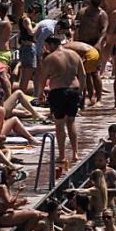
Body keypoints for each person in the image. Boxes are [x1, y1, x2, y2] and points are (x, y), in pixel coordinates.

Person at [37, 36, 86, 164]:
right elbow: (83, 75)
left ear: (52, 45)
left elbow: (42, 78)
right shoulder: (74, 55)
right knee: (71, 122)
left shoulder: (50, 59)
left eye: (47, 46)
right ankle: (75, 154)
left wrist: (40, 92)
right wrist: (80, 92)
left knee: (59, 124)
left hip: (58, 91)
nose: (46, 49)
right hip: (74, 90)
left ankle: (62, 155)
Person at [64, 41, 103, 107]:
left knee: (82, 76)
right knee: (90, 75)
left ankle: (82, 102)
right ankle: (92, 99)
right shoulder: (67, 45)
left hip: (89, 54)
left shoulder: (63, 49)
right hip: (94, 52)